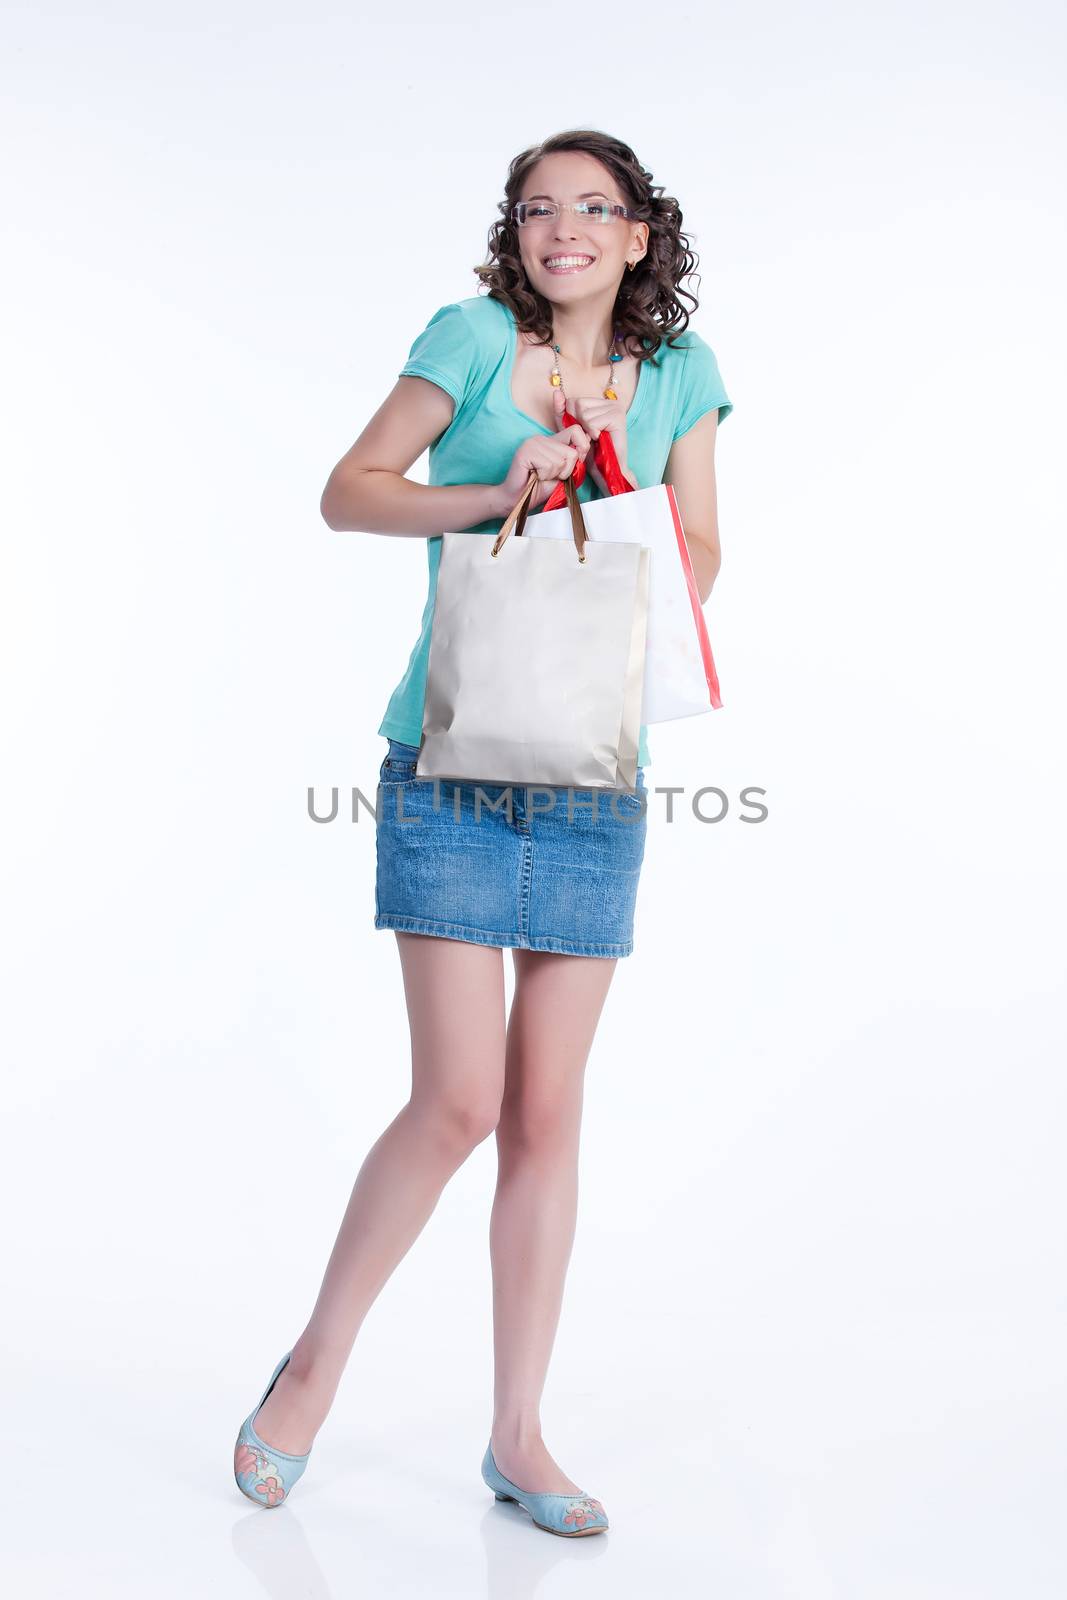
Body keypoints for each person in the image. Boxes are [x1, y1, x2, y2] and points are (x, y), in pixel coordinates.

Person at [233, 128, 733, 1537]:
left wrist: (600, 470)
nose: (561, 226)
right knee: (460, 1099)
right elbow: (350, 491)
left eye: (593, 207)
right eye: (536, 208)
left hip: (595, 766)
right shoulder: (467, 336)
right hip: (450, 755)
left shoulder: (686, 374)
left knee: (550, 1111)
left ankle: (517, 1433)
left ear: (641, 234)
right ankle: (310, 1373)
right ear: (512, 234)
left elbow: (698, 559)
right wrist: (500, 490)